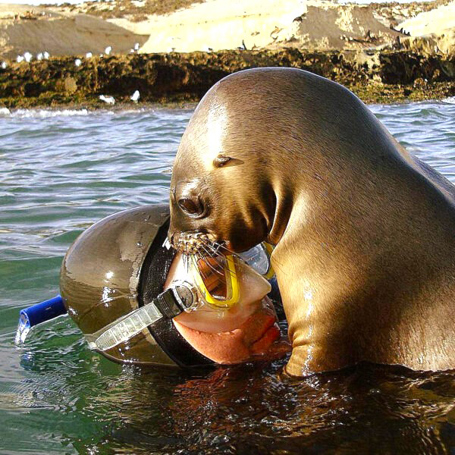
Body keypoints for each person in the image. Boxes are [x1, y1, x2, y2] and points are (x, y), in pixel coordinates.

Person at [60, 204, 289, 368]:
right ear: (155, 326)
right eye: (217, 286)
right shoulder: (163, 429)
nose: (261, 288)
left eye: (247, 259)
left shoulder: (289, 308)